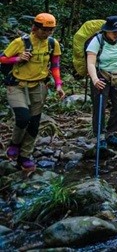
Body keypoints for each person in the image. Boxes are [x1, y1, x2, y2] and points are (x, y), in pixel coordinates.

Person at [0, 13, 65, 172]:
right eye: (44, 30)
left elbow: (55, 65)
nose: (47, 33)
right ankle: (15, 143)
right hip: (17, 85)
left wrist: (58, 85)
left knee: (34, 123)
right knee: (23, 117)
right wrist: (18, 59)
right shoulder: (20, 42)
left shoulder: (52, 43)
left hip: (39, 85)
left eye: (51, 30)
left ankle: (25, 156)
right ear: (35, 28)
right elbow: (2, 59)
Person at [87, 16, 117, 149]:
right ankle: (100, 136)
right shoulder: (97, 41)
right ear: (107, 30)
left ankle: (111, 133)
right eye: (114, 32)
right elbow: (91, 63)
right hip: (101, 77)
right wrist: (95, 80)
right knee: (100, 108)